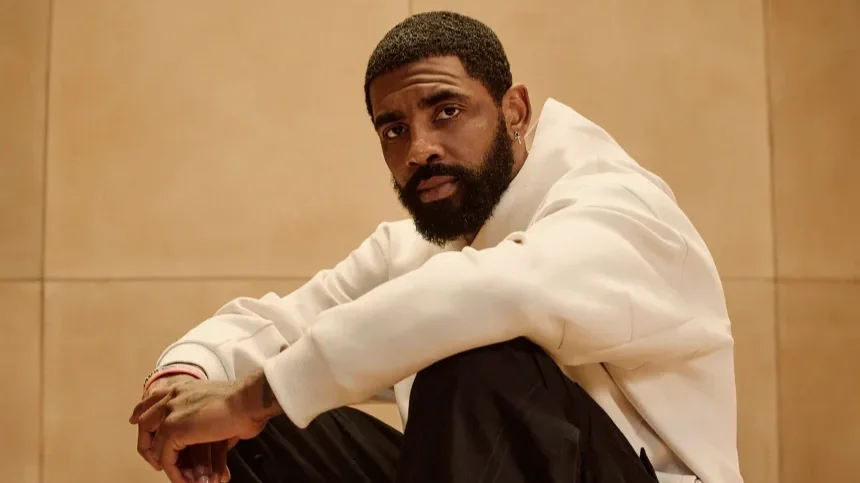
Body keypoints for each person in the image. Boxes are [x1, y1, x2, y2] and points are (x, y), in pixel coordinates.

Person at [129, 11, 741, 483]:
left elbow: (497, 292)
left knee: (477, 361)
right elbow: (272, 324)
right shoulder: (413, 253)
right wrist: (185, 384)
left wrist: (253, 394)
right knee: (261, 427)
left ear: (514, 111)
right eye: (394, 129)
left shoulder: (621, 209)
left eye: (446, 110)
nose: (418, 148)